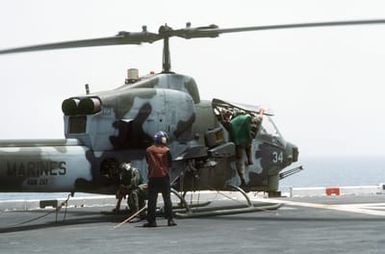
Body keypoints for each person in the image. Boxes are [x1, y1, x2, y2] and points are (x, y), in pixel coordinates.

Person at [143, 131, 177, 227]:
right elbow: (170, 164)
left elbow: (147, 161)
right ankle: (170, 220)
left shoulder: (148, 150)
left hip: (153, 177)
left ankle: (152, 221)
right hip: (164, 177)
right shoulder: (167, 150)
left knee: (152, 200)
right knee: (167, 199)